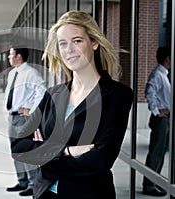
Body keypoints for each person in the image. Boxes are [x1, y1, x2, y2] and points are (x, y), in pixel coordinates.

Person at [10, 10, 133, 199]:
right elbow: (18, 146)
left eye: (77, 41)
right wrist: (67, 151)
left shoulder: (117, 95)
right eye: (62, 43)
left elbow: (100, 161)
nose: (69, 49)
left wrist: (44, 155)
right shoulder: (53, 94)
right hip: (45, 194)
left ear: (94, 43)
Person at [5, 47, 46, 196]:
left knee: (26, 151)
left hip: (24, 118)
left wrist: (31, 110)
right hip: (13, 116)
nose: (9, 57)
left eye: (11, 54)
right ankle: (21, 181)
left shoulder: (31, 73)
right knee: (16, 151)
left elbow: (42, 92)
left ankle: (32, 184)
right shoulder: (12, 73)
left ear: (19, 56)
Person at [142, 47, 171, 197]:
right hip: (161, 120)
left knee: (160, 153)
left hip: (165, 119)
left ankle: (154, 182)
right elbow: (149, 92)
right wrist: (156, 111)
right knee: (156, 153)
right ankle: (149, 185)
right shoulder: (158, 74)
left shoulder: (163, 74)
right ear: (167, 58)